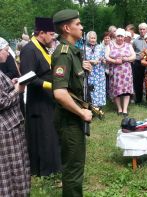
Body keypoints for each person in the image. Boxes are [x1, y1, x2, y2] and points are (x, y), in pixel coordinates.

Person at [52, 9, 93, 196]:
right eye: (78, 24)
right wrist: (82, 112)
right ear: (67, 28)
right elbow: (60, 93)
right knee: (73, 169)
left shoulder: (73, 53)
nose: (82, 27)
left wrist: (84, 70)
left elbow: (71, 85)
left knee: (76, 166)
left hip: (73, 117)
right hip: (69, 119)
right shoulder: (63, 53)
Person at [20, 17, 61, 176]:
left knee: (50, 132)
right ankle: (43, 169)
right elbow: (28, 77)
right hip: (37, 101)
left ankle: (52, 165)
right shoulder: (29, 50)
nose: (53, 38)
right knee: (43, 133)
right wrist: (50, 85)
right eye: (51, 34)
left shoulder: (42, 47)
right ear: (41, 33)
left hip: (47, 98)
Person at [0, 39, 30, 196]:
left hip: (10, 125)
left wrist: (11, 84)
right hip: (5, 129)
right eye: (5, 50)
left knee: (15, 164)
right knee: (10, 167)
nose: (7, 53)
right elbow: (1, 101)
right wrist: (17, 90)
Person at [105, 28, 136, 116]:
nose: (120, 38)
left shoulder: (128, 45)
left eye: (121, 36)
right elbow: (106, 56)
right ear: (115, 36)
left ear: (124, 37)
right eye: (118, 36)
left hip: (126, 71)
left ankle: (125, 109)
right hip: (115, 71)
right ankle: (119, 109)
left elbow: (133, 56)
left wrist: (126, 59)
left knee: (126, 90)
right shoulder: (110, 45)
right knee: (116, 90)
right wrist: (114, 61)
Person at [85, 31, 106, 107]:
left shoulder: (100, 47)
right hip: (90, 72)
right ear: (88, 38)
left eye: (94, 38)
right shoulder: (84, 48)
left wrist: (103, 60)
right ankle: (92, 106)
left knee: (100, 89)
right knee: (91, 88)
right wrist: (91, 61)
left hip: (99, 72)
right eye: (91, 38)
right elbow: (82, 60)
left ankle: (99, 106)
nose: (93, 40)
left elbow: (105, 59)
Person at [132, 22, 147, 104]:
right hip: (138, 63)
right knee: (138, 82)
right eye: (140, 29)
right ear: (138, 30)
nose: (142, 31)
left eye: (143, 29)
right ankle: (138, 100)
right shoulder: (135, 41)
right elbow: (133, 51)